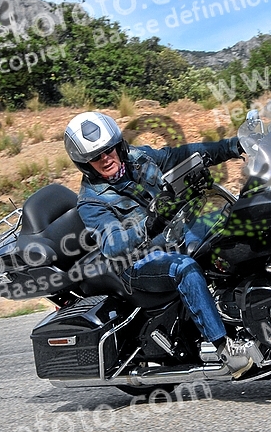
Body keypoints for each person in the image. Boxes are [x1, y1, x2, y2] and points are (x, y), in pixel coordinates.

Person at [64, 111, 254, 378]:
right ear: (85, 164)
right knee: (184, 268)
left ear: (118, 146)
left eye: (108, 150)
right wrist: (151, 222)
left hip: (171, 236)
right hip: (136, 262)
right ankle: (226, 350)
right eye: (96, 157)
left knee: (237, 220)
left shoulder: (139, 158)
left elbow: (182, 154)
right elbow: (112, 245)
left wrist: (233, 146)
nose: (105, 158)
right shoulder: (91, 202)